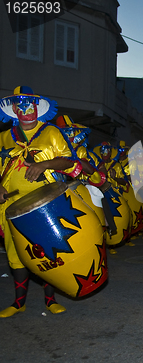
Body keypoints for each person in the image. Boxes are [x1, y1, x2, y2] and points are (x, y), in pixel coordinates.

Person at [0, 86, 82, 318]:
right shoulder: (3, 137)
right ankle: (18, 303)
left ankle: (50, 300)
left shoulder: (52, 132)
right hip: (12, 205)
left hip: (47, 202)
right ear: (14, 109)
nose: (26, 109)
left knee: (49, 250)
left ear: (37, 107)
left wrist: (44, 164)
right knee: (15, 252)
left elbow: (69, 161)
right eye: (20, 105)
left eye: (30, 104)